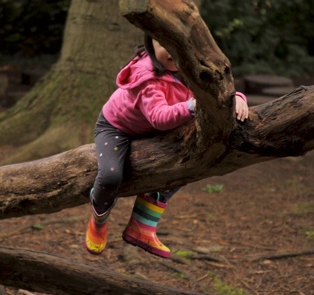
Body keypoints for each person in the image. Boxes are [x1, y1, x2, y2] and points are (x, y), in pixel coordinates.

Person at [85, 34, 248, 258]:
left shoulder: (193, 68)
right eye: (164, 45)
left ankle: (142, 227)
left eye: (176, 44)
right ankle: (99, 219)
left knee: (186, 165)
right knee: (112, 176)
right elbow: (159, 118)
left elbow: (218, 88)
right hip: (117, 128)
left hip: (154, 132)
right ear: (151, 44)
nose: (171, 51)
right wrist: (193, 104)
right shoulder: (146, 76)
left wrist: (236, 98)